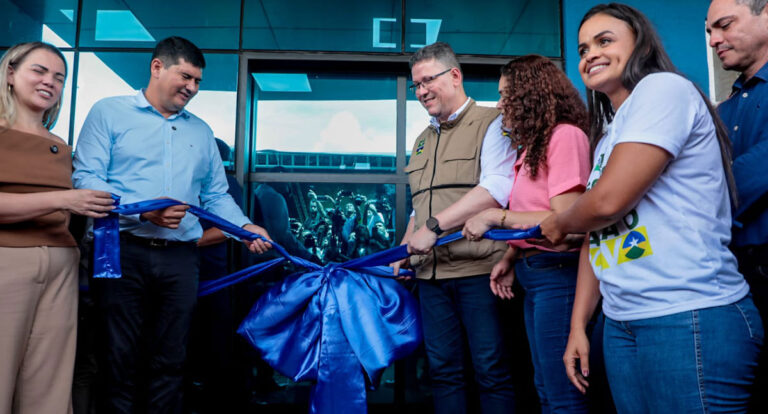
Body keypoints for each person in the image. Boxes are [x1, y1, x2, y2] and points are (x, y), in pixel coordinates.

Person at [538, 3, 762, 412]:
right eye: (583, 48)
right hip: (625, 319)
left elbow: (605, 204)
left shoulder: (663, 89)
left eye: (604, 41)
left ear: (639, 44)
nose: (590, 54)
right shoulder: (609, 135)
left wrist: (558, 222)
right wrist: (577, 326)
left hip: (688, 313)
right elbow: (600, 233)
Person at [72, 36, 271, 413]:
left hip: (181, 259)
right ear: (157, 67)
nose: (193, 88)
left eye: (198, 82)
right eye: (186, 76)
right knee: (118, 357)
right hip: (120, 253)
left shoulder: (201, 131)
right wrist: (142, 212)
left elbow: (215, 197)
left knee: (173, 358)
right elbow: (87, 179)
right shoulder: (108, 112)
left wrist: (246, 229)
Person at [390, 41, 517, 413]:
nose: (422, 91)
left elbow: (497, 188)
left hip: (479, 271)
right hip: (431, 277)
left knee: (491, 371)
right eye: (416, 85)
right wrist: (404, 249)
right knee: (443, 373)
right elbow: (420, 205)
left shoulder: (492, 123)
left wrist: (434, 226)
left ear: (455, 75)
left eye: (428, 80)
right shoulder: (421, 141)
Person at [462, 55, 592, 413]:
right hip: (533, 274)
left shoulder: (566, 136)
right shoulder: (533, 146)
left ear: (531, 94)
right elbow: (535, 215)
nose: (501, 105)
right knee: (544, 387)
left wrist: (494, 216)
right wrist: (511, 256)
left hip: (559, 274)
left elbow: (566, 221)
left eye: (507, 95)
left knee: (563, 393)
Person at [0, 42, 114, 414]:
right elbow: (63, 204)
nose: (50, 81)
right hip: (7, 264)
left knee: (49, 387)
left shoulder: (61, 146)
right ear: (11, 73)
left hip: (62, 269)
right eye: (39, 70)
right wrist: (62, 200)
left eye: (59, 77)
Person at [707, 0, 768, 410]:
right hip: (733, 271)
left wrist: (696, 200)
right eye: (710, 32)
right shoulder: (723, 109)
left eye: (724, 26)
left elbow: (752, 174)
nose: (714, 40)